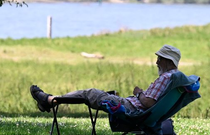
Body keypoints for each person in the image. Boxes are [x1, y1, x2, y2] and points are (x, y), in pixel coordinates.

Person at [30, 44, 182, 113]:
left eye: (160, 59)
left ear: (168, 61)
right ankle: (51, 101)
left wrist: (138, 93)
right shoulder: (174, 77)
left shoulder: (165, 78)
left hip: (130, 109)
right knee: (102, 94)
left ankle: (50, 100)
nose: (156, 62)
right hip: (131, 106)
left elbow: (148, 102)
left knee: (89, 93)